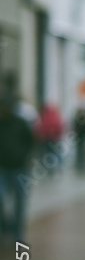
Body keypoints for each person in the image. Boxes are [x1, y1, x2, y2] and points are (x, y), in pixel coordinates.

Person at [0, 97, 35, 243]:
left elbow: (31, 141)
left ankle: (18, 231)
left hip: (19, 167)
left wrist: (23, 156)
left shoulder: (20, 123)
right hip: (2, 167)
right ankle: (4, 228)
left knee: (20, 200)